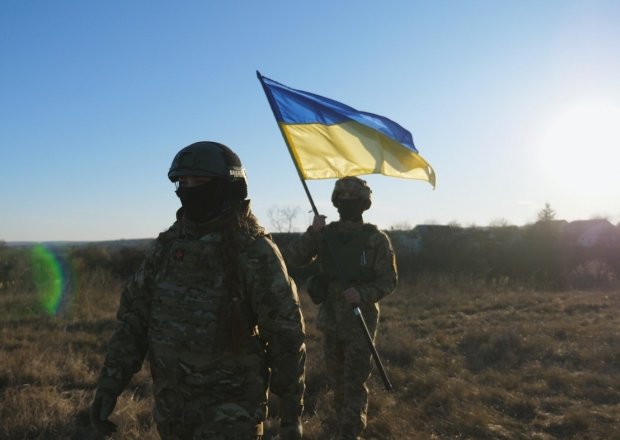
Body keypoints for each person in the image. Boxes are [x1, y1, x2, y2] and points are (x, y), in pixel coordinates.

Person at [91, 141, 306, 440]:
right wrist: (109, 386)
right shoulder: (167, 247)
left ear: (228, 186)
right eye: (183, 182)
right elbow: (133, 322)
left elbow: (285, 334)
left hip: (230, 414)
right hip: (172, 410)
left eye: (200, 182)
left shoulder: (253, 250)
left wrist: (291, 413)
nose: (189, 189)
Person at [285, 176, 397, 440]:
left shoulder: (375, 239)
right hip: (331, 320)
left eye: (353, 199)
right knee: (337, 382)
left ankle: (350, 433)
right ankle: (339, 426)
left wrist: (363, 293)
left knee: (354, 382)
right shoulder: (326, 236)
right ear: (336, 202)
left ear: (363, 203)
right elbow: (293, 258)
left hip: (360, 321)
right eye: (342, 198)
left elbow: (388, 281)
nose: (347, 203)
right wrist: (312, 233)